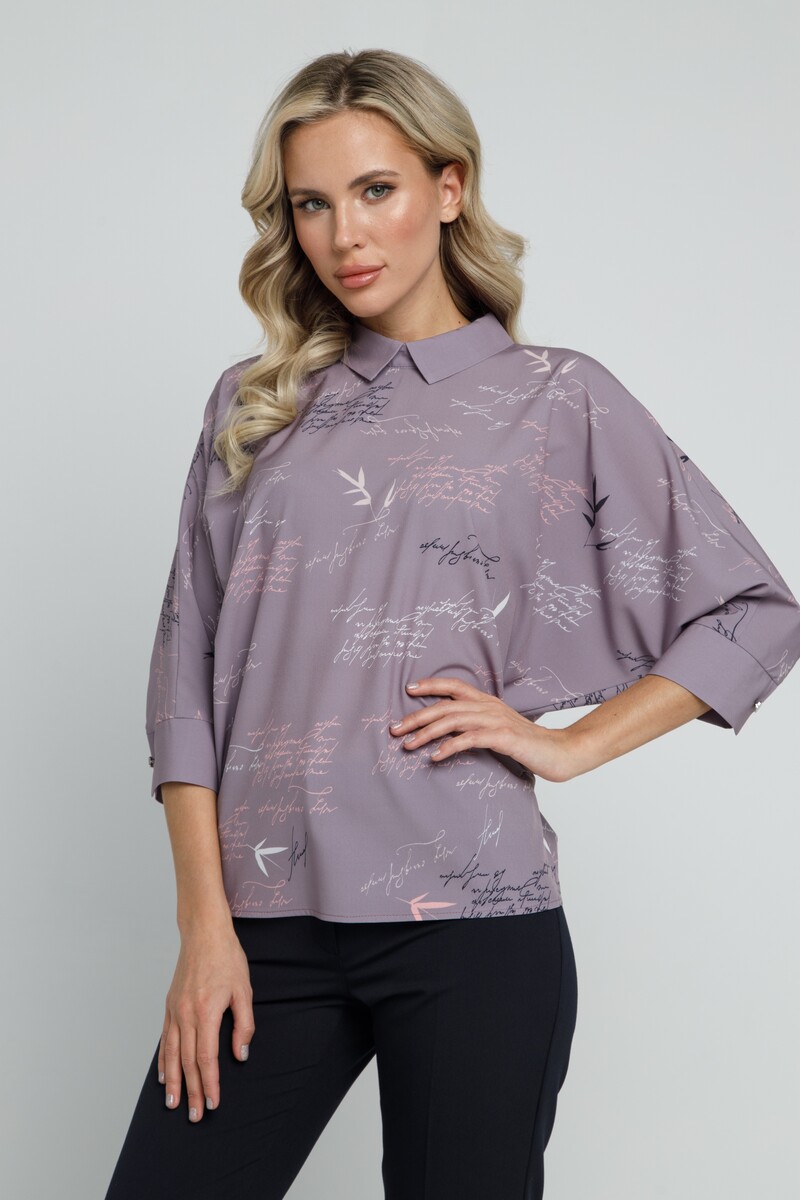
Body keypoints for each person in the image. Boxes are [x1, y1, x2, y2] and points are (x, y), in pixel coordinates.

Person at [104, 48, 800, 1200]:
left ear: (447, 187)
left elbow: (751, 609)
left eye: (374, 189)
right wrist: (203, 930)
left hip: (471, 924)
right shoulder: (253, 405)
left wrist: (569, 745)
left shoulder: (557, 398)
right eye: (311, 204)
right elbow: (186, 675)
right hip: (263, 924)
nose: (343, 234)